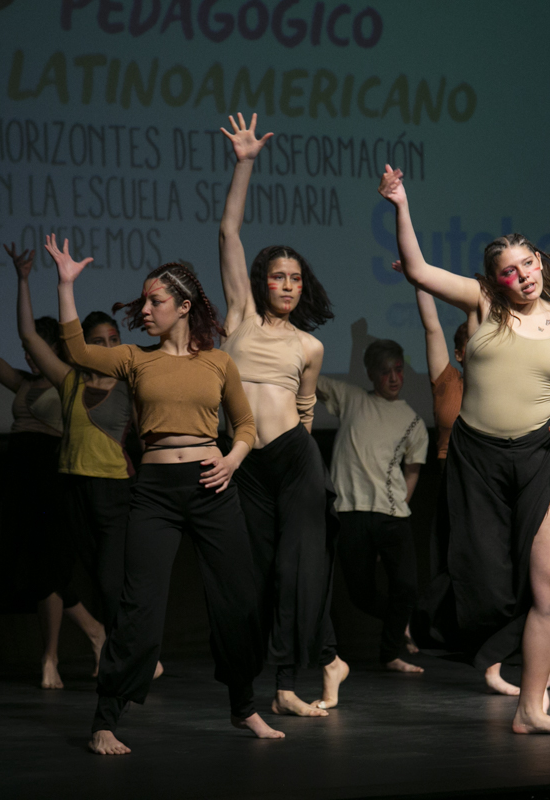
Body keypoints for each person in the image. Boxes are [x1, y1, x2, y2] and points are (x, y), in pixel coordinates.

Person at [380, 164, 550, 736]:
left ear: (540, 263)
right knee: (487, 589)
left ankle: (531, 709)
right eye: (509, 270)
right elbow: (418, 269)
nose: (522, 276)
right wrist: (401, 204)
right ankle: (501, 670)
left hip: (542, 456)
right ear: (495, 280)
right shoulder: (482, 303)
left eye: (528, 264)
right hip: (478, 462)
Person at [47, 236, 283, 754]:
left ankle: (244, 707)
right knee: (140, 608)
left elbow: (245, 425)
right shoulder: (135, 359)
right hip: (155, 493)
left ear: (184, 306)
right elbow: (78, 351)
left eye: (155, 301)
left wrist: (232, 460)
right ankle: (106, 719)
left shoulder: (218, 363)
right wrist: (65, 285)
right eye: (145, 302)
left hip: (211, 485)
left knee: (237, 601)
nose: (146, 310)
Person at [217, 113, 348, 716]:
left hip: (296, 461)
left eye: (296, 279)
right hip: (245, 463)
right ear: (262, 283)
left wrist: (301, 457)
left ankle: (288, 686)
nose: (288, 286)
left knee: (299, 572)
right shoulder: (239, 319)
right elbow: (228, 232)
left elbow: (305, 411)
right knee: (258, 574)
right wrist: (245, 164)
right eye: (278, 277)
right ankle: (319, 661)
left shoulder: (309, 347)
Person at [411, 282, 550, 696]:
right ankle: (495, 653)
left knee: (514, 571)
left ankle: (521, 656)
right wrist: (419, 284)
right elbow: (431, 328)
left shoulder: (503, 382)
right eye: (471, 342)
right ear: (462, 352)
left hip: (498, 480)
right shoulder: (447, 381)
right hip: (457, 483)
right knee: (472, 577)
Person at [0, 255, 106, 690]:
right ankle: (94, 635)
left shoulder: (70, 383)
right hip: (19, 476)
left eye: (37, 348)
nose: (28, 354)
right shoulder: (25, 383)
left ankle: (56, 655)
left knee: (48, 567)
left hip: (52, 475)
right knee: (32, 565)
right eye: (28, 350)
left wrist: (24, 280)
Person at [317, 339, 428, 676]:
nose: (393, 378)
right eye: (385, 371)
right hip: (350, 514)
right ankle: (399, 623)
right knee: (361, 595)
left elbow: (412, 471)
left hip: (391, 515)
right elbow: (309, 378)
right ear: (370, 374)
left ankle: (390, 653)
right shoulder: (351, 398)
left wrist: (399, 506)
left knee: (406, 587)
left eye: (398, 370)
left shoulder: (412, 421)